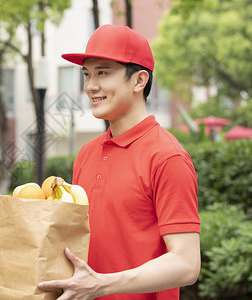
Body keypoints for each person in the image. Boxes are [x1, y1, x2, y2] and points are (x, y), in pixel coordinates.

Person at [38, 24, 201, 300]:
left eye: (103, 73)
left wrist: (101, 284)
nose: (91, 86)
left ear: (139, 81)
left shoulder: (167, 158)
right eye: (87, 74)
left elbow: (186, 264)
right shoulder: (86, 154)